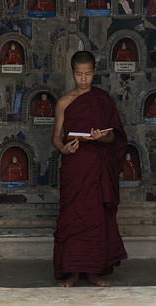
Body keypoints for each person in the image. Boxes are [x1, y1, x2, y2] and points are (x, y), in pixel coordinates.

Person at [52, 50, 127, 287]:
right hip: (75, 166)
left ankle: (94, 271)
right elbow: (55, 136)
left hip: (97, 166)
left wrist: (101, 137)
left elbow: (115, 136)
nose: (83, 80)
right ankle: (72, 272)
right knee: (73, 216)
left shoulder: (103, 100)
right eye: (79, 74)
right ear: (72, 73)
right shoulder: (64, 102)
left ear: (94, 72)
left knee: (96, 217)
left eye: (88, 74)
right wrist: (63, 149)